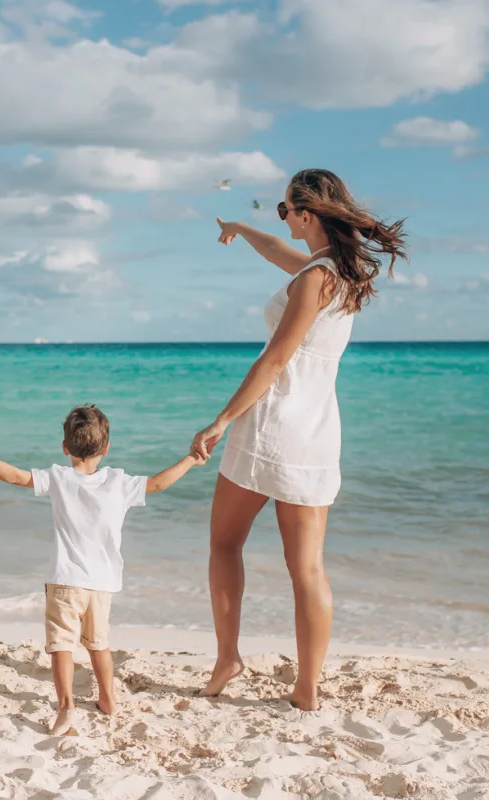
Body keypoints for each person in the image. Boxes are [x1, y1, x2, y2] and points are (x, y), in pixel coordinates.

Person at [192, 169, 407, 710]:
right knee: (307, 567)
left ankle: (227, 658)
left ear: (307, 215)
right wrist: (241, 227)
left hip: (271, 427)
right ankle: (307, 689)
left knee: (224, 544)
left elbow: (275, 360)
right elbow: (274, 252)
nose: (281, 218)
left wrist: (219, 420)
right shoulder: (339, 272)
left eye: (286, 210)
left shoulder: (314, 278)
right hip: (316, 434)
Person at [0, 405, 208, 735]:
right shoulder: (120, 482)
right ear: (106, 449)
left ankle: (66, 708)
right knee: (98, 644)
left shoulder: (59, 478)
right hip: (102, 584)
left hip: (64, 580)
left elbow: (15, 476)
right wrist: (192, 458)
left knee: (62, 644)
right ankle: (108, 699)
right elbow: (160, 483)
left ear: (65, 448)